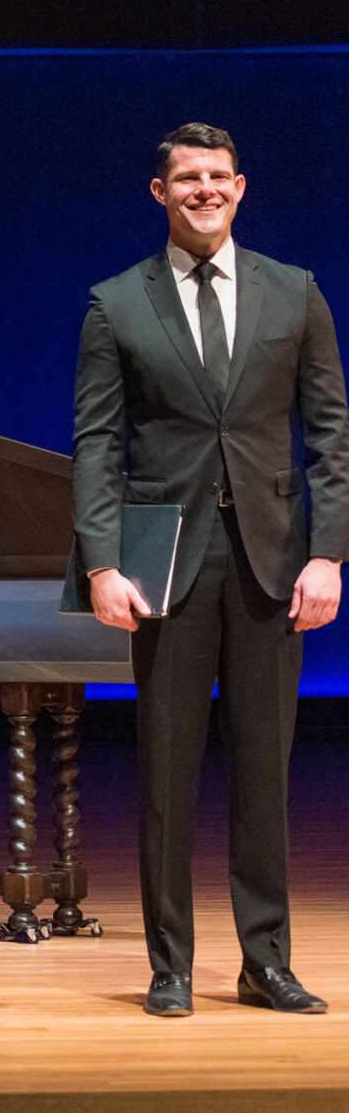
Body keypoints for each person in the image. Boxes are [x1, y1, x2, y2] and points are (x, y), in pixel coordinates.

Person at [73, 123, 345, 1019]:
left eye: (218, 177)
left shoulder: (295, 293)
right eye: (187, 179)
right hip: (166, 565)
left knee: (266, 772)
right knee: (167, 772)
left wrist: (329, 552)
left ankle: (265, 961)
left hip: (272, 560)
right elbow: (95, 447)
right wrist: (103, 563)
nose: (204, 190)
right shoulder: (116, 302)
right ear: (161, 193)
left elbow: (331, 436)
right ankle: (170, 965)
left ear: (241, 186)